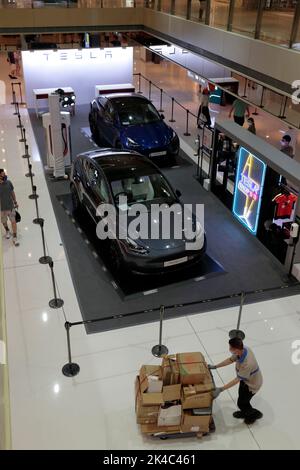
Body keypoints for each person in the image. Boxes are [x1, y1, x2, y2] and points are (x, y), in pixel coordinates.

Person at [209, 337, 263, 425]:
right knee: (241, 398)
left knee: (242, 403)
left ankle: (252, 415)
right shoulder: (242, 350)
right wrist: (215, 366)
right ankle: (245, 412)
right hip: (246, 380)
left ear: (236, 349)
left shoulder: (248, 363)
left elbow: (237, 379)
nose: (229, 349)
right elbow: (230, 360)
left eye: (230, 348)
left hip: (252, 384)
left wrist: (221, 389)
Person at [0, 169, 19, 246]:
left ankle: (15, 236)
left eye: (4, 174)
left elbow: (12, 192)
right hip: (2, 209)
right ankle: (7, 230)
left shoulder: (9, 183)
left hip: (10, 206)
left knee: (13, 221)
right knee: (4, 222)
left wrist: (15, 202)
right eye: (2, 175)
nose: (4, 176)